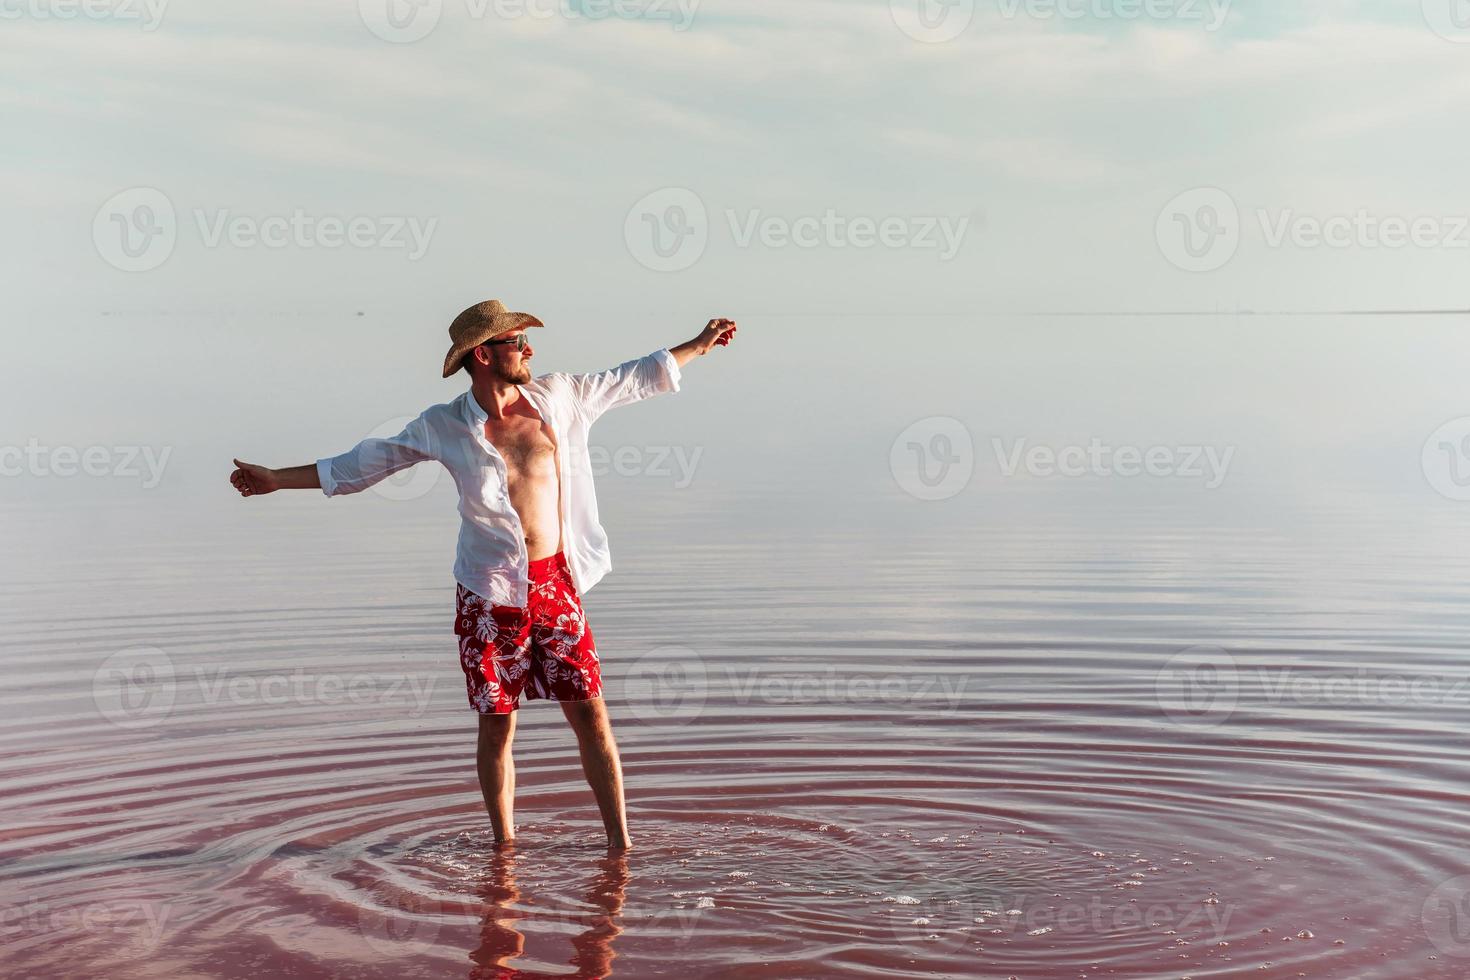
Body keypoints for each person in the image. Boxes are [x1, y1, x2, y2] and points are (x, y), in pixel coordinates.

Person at [229, 300, 737, 849]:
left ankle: (621, 846)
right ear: (484, 354)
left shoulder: (559, 397)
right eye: (519, 342)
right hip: (489, 592)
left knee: (591, 712)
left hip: (556, 585)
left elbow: (632, 378)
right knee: (497, 724)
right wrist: (277, 479)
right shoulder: (445, 426)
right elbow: (363, 464)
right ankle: (505, 850)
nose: (530, 350)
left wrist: (699, 344)